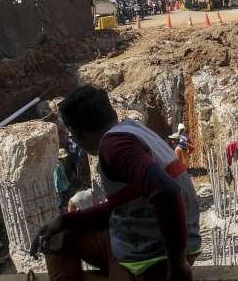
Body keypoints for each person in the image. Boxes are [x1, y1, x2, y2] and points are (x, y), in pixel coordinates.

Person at [31, 85, 199, 281]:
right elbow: (124, 206)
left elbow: (167, 193)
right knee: (59, 234)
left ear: (77, 133)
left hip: (155, 255)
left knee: (56, 241)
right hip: (162, 240)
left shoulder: (114, 147)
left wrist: (177, 265)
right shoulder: (132, 131)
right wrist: (64, 221)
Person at [53, 149, 78, 214]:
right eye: (64, 157)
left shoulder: (61, 165)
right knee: (64, 203)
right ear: (61, 158)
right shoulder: (57, 167)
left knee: (69, 201)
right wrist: (57, 190)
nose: (66, 158)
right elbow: (56, 179)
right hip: (62, 189)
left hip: (66, 186)